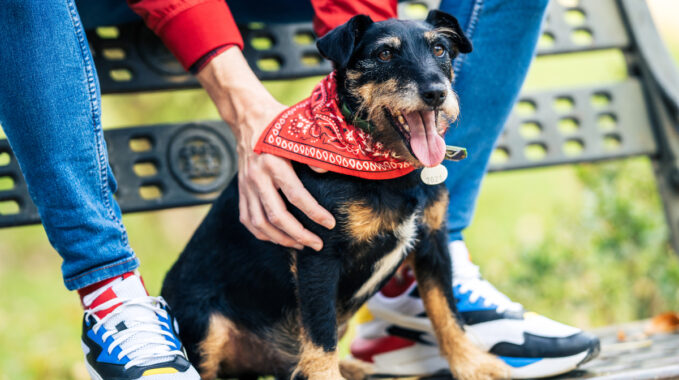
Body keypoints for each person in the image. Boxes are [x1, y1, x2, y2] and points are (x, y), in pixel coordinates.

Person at [0, 1, 598, 380]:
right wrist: (244, 102)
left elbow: (368, 31)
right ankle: (112, 295)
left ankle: (414, 302)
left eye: (438, 61)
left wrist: (362, 21)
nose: (433, 82)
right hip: (235, 316)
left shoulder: (415, 131)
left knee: (428, 234)